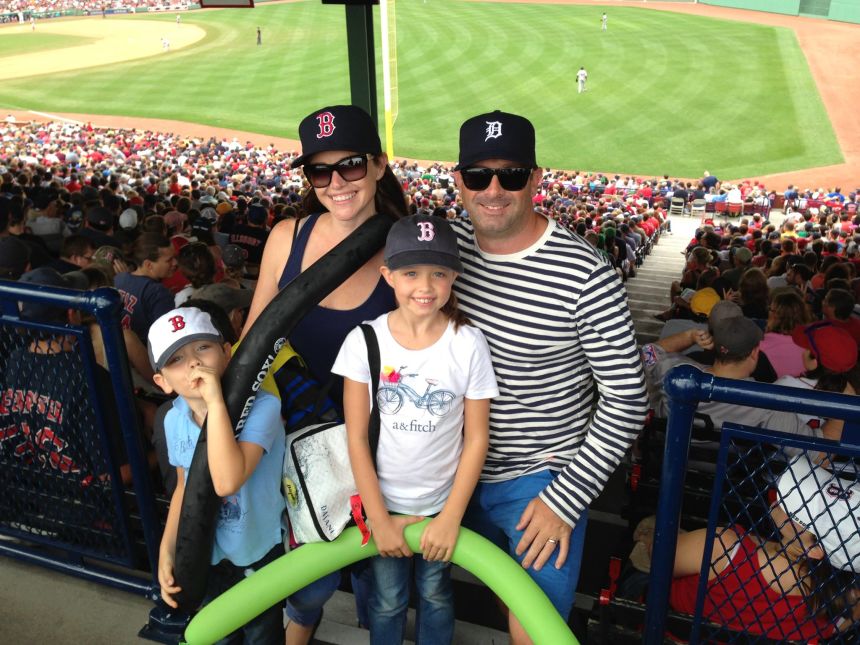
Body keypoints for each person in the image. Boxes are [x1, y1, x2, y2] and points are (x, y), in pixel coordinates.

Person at [449, 110, 648, 642]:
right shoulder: (441, 252)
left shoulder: (586, 275)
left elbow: (628, 398)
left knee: (535, 626)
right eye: (478, 176)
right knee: (454, 591)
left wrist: (565, 499)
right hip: (447, 469)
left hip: (540, 478)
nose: (493, 190)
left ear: (536, 179)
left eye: (511, 175)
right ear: (458, 180)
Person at [242, 104, 408, 644]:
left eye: (352, 165)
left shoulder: (407, 246)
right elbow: (252, 343)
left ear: (380, 166)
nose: (336, 182)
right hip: (300, 447)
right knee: (308, 587)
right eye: (320, 171)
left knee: (384, 587)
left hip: (384, 452)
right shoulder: (286, 237)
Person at [333, 214, 498, 644]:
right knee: (388, 598)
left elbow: (477, 437)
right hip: (383, 505)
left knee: (436, 592)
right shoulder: (363, 341)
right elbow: (355, 437)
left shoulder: (468, 343)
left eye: (438, 273)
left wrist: (450, 517)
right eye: (410, 273)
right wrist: (380, 518)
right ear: (387, 276)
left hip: (441, 505)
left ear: (453, 277)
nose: (425, 287)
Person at [150, 307, 285, 643]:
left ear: (227, 353)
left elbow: (227, 481)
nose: (193, 363)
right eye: (177, 359)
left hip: (257, 551)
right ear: (162, 381)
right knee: (217, 633)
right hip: (206, 553)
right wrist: (168, 549)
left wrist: (216, 404)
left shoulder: (264, 407)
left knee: (261, 634)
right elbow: (184, 486)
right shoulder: (173, 419)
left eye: (202, 348)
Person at [665, 455, 860, 639]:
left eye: (803, 508)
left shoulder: (722, 546)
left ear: (815, 550)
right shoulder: (834, 601)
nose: (787, 497)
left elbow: (657, 559)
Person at [115, 233, 178, 342]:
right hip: (145, 355)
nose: (175, 263)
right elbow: (168, 338)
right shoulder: (158, 293)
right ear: (149, 265)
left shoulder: (119, 278)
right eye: (169, 260)